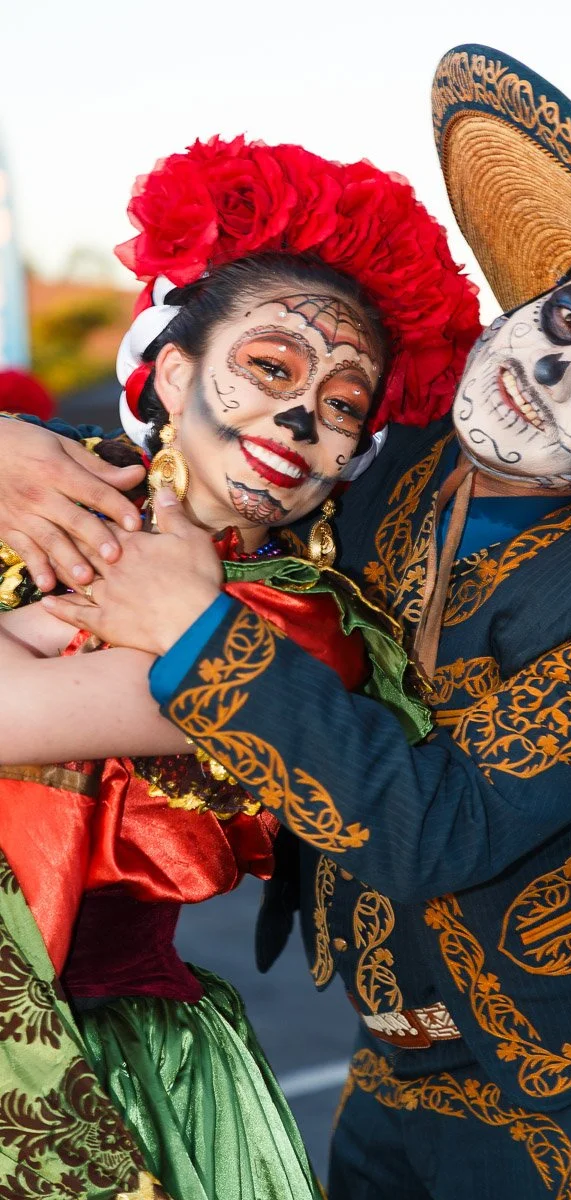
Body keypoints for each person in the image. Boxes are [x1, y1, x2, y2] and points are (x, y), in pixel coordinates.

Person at [3, 44, 571, 1199]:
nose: (550, 369)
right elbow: (194, 464)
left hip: (558, 1103)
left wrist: (193, 627)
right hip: (383, 1056)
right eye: (565, 316)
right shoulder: (381, 456)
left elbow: (439, 830)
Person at [0, 134, 478, 1200]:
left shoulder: (295, 625)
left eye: (345, 406)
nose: (303, 418)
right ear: (170, 369)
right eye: (270, 368)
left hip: (96, 1076)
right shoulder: (55, 488)